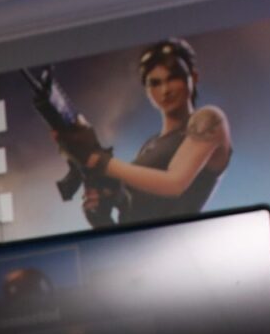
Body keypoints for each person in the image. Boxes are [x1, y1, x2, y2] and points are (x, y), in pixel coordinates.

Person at [58, 38, 231, 227]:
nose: (165, 90)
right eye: (155, 83)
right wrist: (100, 217)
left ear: (193, 77)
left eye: (173, 78)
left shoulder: (208, 119)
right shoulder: (150, 145)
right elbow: (132, 218)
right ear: (147, 90)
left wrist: (100, 161)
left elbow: (174, 183)